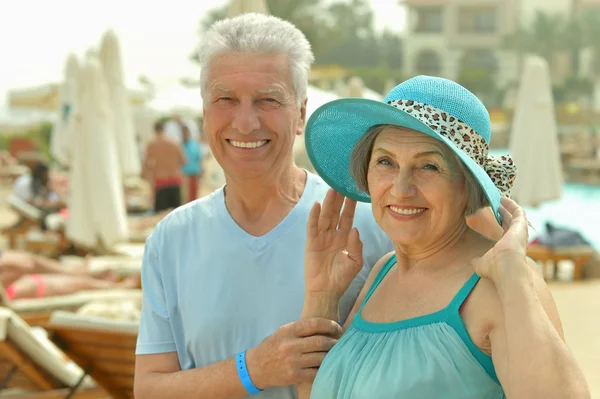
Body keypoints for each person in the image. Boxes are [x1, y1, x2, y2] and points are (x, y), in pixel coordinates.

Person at [133, 14, 393, 399]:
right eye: (226, 100)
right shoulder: (171, 238)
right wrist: (253, 369)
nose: (245, 122)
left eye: (268, 100)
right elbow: (149, 389)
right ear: (205, 113)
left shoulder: (365, 224)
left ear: (301, 113)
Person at [297, 76, 591, 398]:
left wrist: (512, 270)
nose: (400, 188)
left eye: (429, 167)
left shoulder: (501, 283)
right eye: (386, 162)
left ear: (468, 186)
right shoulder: (384, 272)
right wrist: (322, 297)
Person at [0, 250, 140, 300]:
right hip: (6, 293)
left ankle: (85, 275)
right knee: (25, 263)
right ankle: (114, 287)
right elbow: (22, 266)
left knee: (27, 262)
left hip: (7, 289)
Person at [143, 120, 186, 213]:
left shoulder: (152, 144)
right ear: (164, 129)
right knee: (177, 213)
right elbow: (184, 161)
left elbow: (146, 165)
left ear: (155, 130)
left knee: (161, 214)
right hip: (175, 179)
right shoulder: (174, 142)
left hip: (161, 180)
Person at [180, 124, 203, 203]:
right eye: (183, 133)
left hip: (194, 172)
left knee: (194, 195)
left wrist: (201, 170)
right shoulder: (179, 145)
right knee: (185, 197)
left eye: (186, 132)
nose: (184, 134)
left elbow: (199, 158)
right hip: (184, 174)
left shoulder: (194, 145)